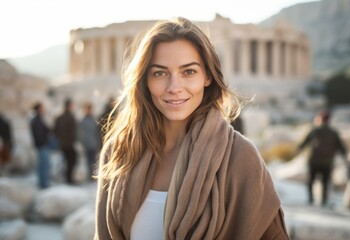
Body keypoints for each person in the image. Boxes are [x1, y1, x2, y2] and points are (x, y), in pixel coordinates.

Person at [94, 17, 289, 240]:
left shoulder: (240, 157)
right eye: (159, 73)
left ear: (207, 76)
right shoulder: (119, 151)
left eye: (188, 72)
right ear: (144, 80)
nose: (174, 87)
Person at [297, 110, 347, 206]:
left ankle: (311, 199)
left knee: (311, 180)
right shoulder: (333, 132)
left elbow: (303, 143)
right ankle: (323, 201)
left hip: (314, 160)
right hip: (327, 162)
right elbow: (341, 147)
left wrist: (298, 149)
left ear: (320, 119)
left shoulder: (314, 130)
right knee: (325, 181)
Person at [54, 98, 77, 184]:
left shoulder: (60, 117)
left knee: (68, 161)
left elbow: (55, 130)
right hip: (68, 143)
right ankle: (69, 179)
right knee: (71, 160)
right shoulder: (69, 117)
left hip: (64, 143)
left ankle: (68, 178)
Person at [30, 102, 52, 188]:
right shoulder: (36, 120)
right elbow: (39, 134)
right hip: (42, 145)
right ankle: (43, 184)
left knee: (44, 165)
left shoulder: (38, 119)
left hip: (42, 145)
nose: (44, 109)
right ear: (39, 109)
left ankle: (43, 183)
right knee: (44, 165)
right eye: (42, 108)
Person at [78, 102, 101, 180]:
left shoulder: (93, 120)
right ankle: (89, 175)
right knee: (88, 161)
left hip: (94, 144)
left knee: (94, 161)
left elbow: (96, 132)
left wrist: (98, 142)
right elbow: (81, 133)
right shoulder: (83, 121)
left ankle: (93, 176)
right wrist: (84, 143)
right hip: (87, 145)